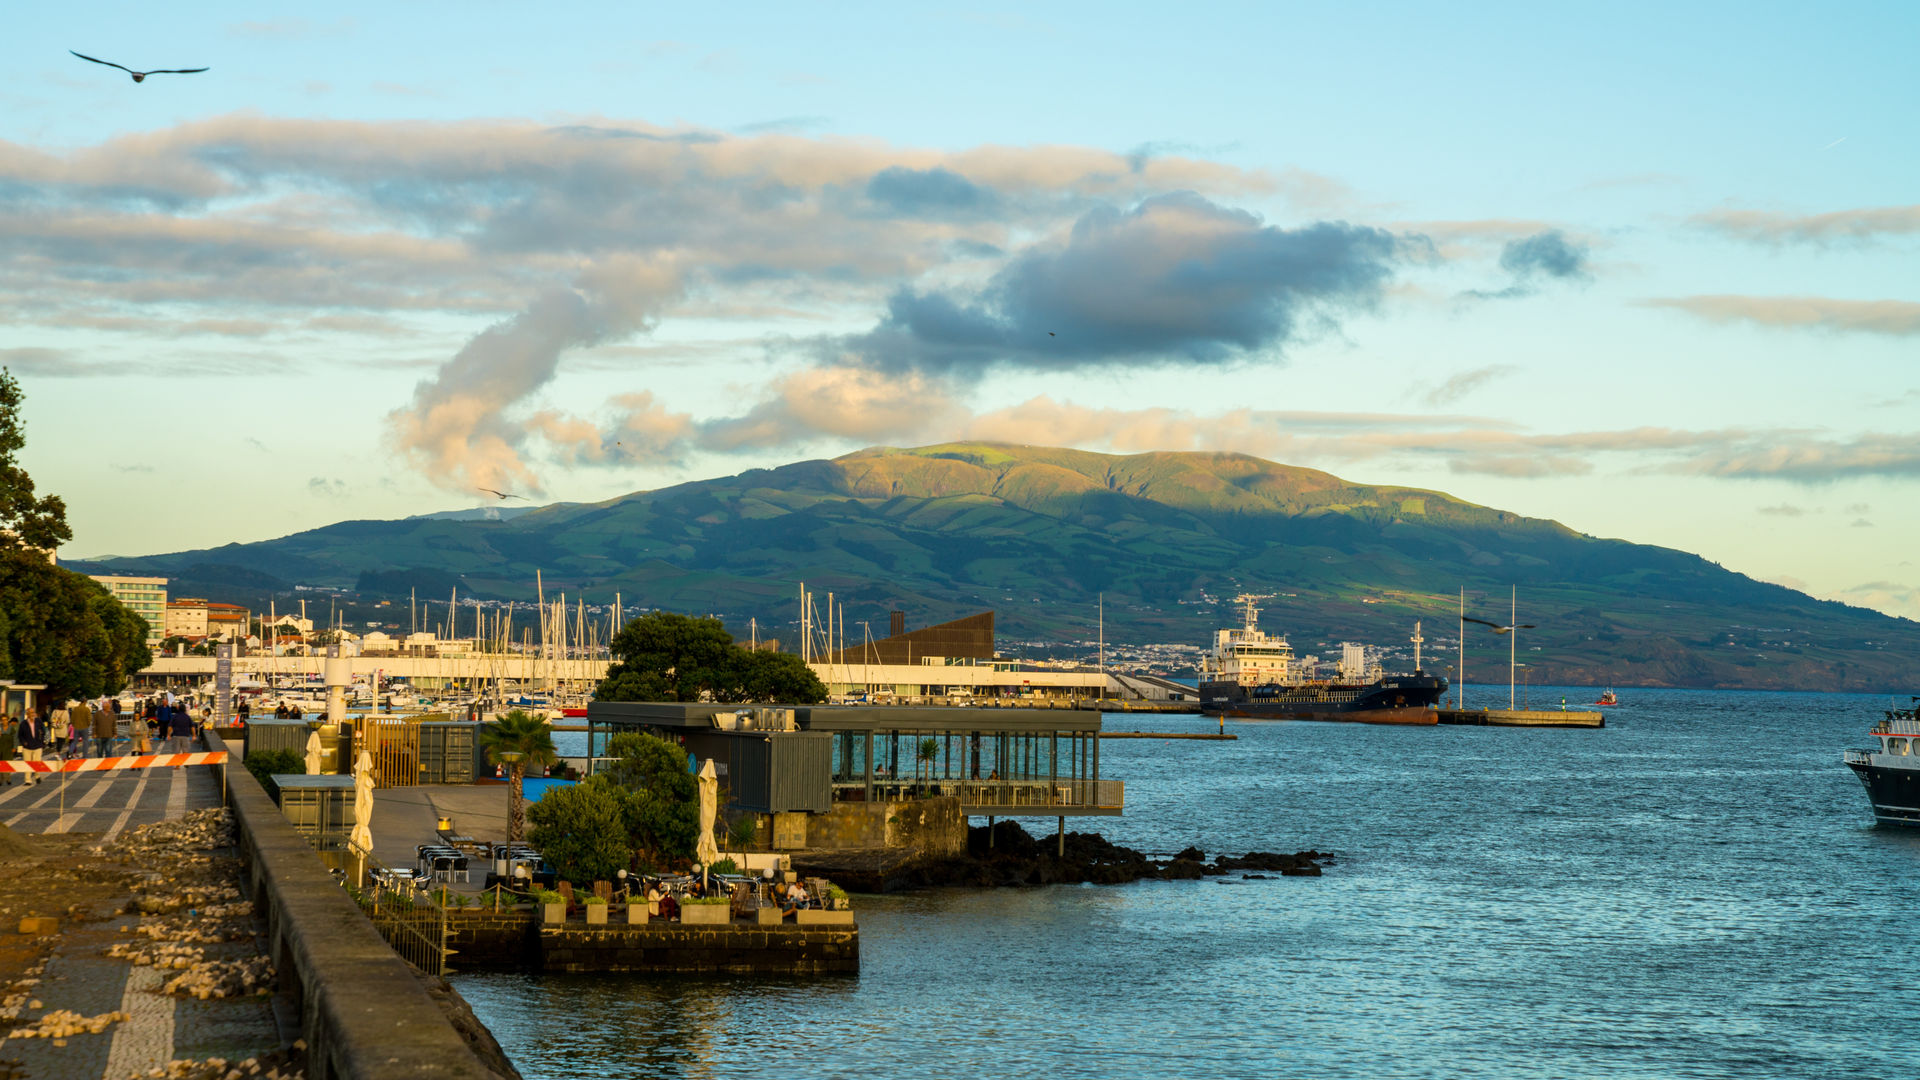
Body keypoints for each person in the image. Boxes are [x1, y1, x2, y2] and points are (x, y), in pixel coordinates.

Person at [16, 703, 48, 786]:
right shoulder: (23, 723)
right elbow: (20, 735)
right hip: (27, 746)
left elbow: (44, 731)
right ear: (27, 714)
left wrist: (42, 741)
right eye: (30, 713)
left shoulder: (38, 721)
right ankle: (28, 780)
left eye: (33, 712)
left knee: (37, 762)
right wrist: (23, 742)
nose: (32, 714)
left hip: (37, 745)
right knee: (28, 763)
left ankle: (37, 776)